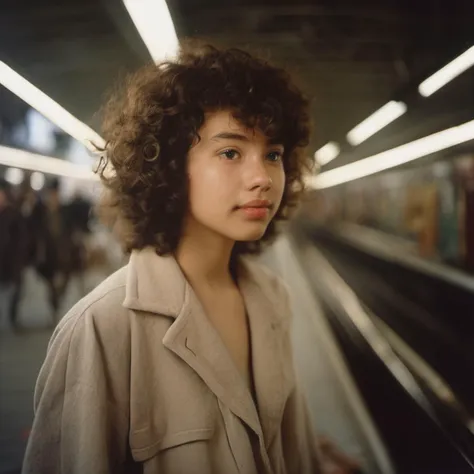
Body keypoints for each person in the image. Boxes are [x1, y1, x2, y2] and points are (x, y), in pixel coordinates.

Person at [23, 44, 358, 474]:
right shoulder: (102, 328)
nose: (262, 178)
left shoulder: (273, 301)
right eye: (230, 152)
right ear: (168, 166)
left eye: (272, 155)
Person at [0, 178, 26, 330]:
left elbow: (21, 239)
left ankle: (12, 318)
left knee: (14, 292)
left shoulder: (13, 215)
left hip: (10, 262)